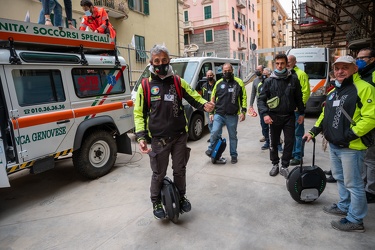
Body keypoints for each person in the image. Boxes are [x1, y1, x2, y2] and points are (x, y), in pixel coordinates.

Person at [133, 44, 215, 219]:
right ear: (151, 62)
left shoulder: (178, 82)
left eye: (163, 60)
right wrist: (141, 136)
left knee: (180, 170)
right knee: (159, 173)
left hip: (179, 136)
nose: (160, 64)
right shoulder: (146, 86)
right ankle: (155, 201)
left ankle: (181, 195)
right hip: (158, 139)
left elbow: (193, 96)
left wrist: (204, 105)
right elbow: (139, 113)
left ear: (169, 61)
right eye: (156, 61)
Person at [303, 55, 375, 232]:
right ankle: (344, 206)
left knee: (354, 184)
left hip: (352, 147)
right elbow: (325, 115)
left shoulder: (364, 88)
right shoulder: (333, 91)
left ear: (354, 69)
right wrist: (313, 131)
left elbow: (370, 117)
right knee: (341, 178)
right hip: (335, 145)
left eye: (345, 67)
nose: (340, 71)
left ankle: (356, 219)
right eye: (337, 68)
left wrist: (349, 135)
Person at [257, 54, 305, 178]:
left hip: (289, 116)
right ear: (274, 64)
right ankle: (275, 164)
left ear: (287, 64)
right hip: (273, 117)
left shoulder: (293, 79)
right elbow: (261, 100)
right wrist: (265, 114)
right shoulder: (268, 81)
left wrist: (301, 113)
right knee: (274, 142)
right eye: (277, 63)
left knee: (289, 141)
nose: (279, 66)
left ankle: (284, 166)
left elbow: (299, 98)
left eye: (282, 63)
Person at [205, 63, 247, 164]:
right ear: (222, 71)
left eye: (228, 70)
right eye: (224, 71)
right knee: (214, 132)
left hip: (232, 115)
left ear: (232, 70)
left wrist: (243, 111)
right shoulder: (219, 83)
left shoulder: (239, 82)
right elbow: (213, 99)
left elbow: (243, 97)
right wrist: (211, 113)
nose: (226, 72)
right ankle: (211, 149)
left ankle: (233, 155)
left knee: (232, 136)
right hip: (219, 114)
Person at [356, 47, 375, 203]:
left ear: (372, 59)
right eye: (358, 58)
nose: (359, 61)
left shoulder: (373, 75)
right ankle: (363, 184)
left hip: (371, 122)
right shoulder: (363, 75)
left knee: (370, 158)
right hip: (361, 120)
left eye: (362, 58)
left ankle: (371, 190)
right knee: (364, 157)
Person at [287, 55, 310, 166]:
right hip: (287, 111)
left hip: (296, 110)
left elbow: (305, 92)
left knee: (298, 133)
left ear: (295, 62)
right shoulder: (285, 74)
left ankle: (298, 156)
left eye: (289, 61)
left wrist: (299, 107)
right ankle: (292, 153)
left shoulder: (301, 74)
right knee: (290, 133)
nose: (287, 63)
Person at [249, 65, 265, 142]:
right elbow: (253, 93)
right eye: (256, 69)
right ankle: (265, 135)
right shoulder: (255, 81)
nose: (257, 71)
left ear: (262, 70)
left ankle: (277, 137)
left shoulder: (267, 79)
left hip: (268, 104)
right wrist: (251, 105)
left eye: (259, 69)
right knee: (262, 121)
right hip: (260, 104)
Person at [201, 70, 216, 141]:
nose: (209, 77)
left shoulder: (217, 85)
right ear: (206, 76)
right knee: (210, 123)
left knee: (216, 123)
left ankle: (216, 137)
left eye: (211, 75)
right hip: (207, 108)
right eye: (208, 75)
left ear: (213, 76)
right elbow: (203, 96)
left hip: (216, 108)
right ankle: (212, 136)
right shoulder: (204, 86)